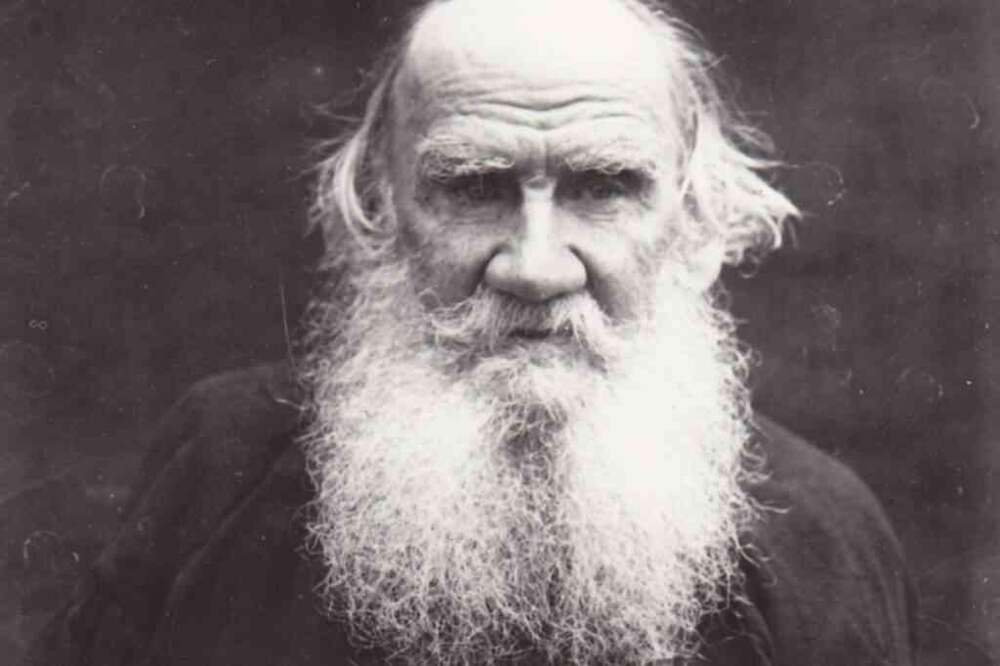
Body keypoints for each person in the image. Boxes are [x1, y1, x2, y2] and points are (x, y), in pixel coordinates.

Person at [29, 0, 916, 664]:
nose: (535, 268)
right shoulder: (219, 467)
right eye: (473, 186)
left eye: (603, 187)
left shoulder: (818, 547)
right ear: (378, 212)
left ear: (696, 226)